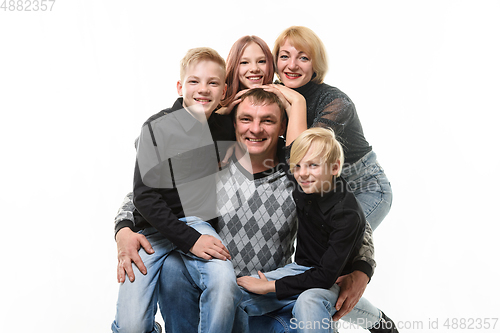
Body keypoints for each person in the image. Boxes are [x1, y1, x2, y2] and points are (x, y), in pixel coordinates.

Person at [114, 88, 378, 332]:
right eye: (246, 119)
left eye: (268, 120)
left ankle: (376, 321)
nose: (255, 129)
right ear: (233, 124)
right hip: (216, 301)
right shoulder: (213, 165)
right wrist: (123, 228)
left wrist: (362, 268)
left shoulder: (298, 173)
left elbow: (352, 219)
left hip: (272, 299)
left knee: (312, 304)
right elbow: (145, 194)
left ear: (283, 125)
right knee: (172, 266)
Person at [111, 47, 241, 333]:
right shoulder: (157, 127)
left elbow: (262, 121)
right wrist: (190, 240)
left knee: (223, 283)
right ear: (180, 86)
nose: (203, 89)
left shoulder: (226, 127)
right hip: (152, 231)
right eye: (194, 81)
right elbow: (143, 196)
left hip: (198, 223)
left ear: (224, 91)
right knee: (131, 326)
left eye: (213, 83)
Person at [237, 127, 398, 333]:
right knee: (240, 295)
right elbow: (284, 153)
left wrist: (269, 287)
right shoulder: (303, 181)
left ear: (334, 167)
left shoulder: (347, 215)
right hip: (302, 269)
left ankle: (379, 322)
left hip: (333, 279)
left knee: (308, 301)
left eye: (313, 165)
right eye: (298, 166)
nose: (303, 173)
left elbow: (324, 276)